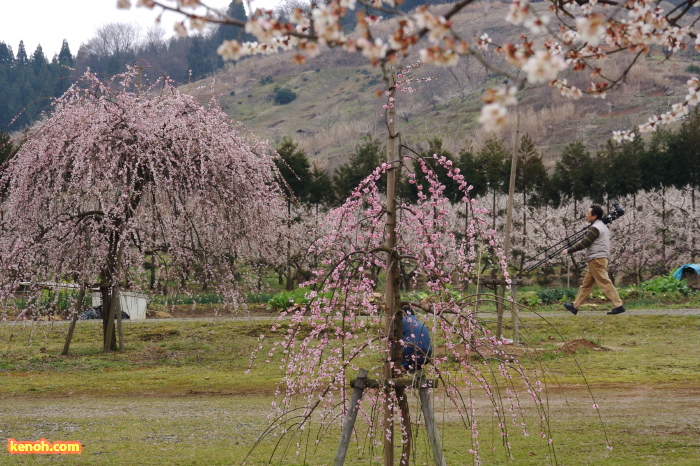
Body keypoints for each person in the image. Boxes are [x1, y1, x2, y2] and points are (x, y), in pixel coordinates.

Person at [561, 205, 625, 315]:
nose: (586, 215)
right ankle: (575, 306)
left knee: (604, 282)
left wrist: (569, 250)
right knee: (586, 285)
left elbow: (585, 243)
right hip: (597, 258)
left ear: (594, 216)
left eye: (588, 213)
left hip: (596, 259)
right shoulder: (601, 226)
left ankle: (618, 305)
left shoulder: (595, 228)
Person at [400, 306, 433, 372]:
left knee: (393, 342)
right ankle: (413, 367)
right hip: (427, 354)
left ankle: (402, 366)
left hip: (412, 351)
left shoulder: (402, 320)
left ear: (402, 314)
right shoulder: (418, 321)